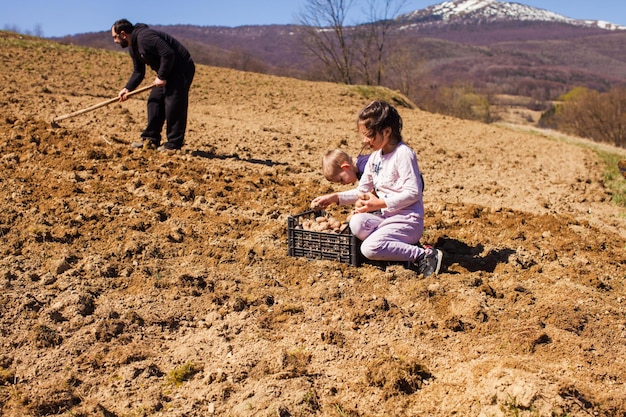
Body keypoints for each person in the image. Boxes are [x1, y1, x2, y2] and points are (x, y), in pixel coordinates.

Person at [311, 100, 442, 277]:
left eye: (369, 135)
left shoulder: (403, 154)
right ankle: (392, 251)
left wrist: (379, 203)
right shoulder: (375, 158)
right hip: (387, 218)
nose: (364, 141)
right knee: (356, 223)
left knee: (369, 248)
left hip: (407, 220)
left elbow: (413, 192)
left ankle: (423, 255)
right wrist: (335, 197)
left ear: (386, 131)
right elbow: (361, 191)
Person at [112, 19, 195, 151]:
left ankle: (173, 144)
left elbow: (168, 53)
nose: (115, 41)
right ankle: (150, 140)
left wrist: (161, 76)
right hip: (167, 71)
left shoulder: (145, 38)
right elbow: (138, 71)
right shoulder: (133, 47)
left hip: (181, 69)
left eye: (115, 37)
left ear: (123, 34)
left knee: (173, 103)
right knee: (154, 101)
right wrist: (127, 88)